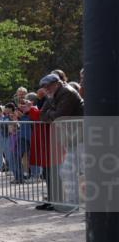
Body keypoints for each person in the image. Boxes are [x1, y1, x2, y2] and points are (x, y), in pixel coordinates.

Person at [34, 73, 84, 210]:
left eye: (48, 86)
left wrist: (51, 113)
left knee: (86, 170)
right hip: (71, 138)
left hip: (82, 136)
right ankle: (73, 203)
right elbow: (42, 115)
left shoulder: (67, 92)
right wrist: (52, 113)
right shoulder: (53, 95)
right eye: (44, 87)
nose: (46, 89)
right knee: (67, 171)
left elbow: (59, 116)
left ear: (57, 84)